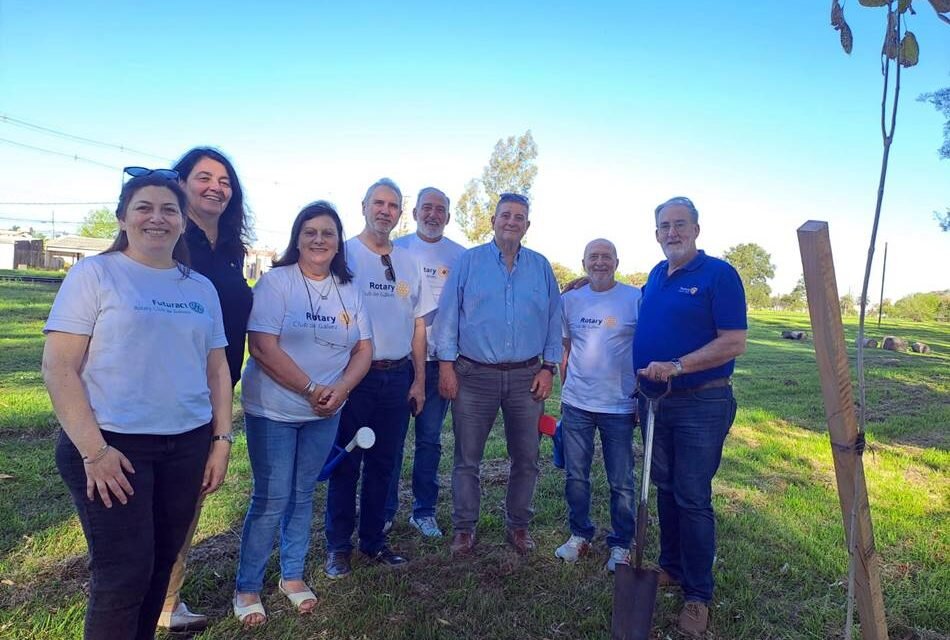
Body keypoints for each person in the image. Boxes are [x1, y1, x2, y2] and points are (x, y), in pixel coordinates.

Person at [42, 170, 232, 640]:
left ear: (182, 221)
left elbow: (218, 371)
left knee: (160, 567)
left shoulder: (199, 288)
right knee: (122, 575)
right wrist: (95, 452)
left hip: (185, 446)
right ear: (123, 217)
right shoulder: (95, 274)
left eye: (169, 209)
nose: (157, 218)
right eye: (144, 207)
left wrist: (221, 440)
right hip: (113, 448)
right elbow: (59, 368)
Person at [232, 202, 372, 626]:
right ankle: (248, 586)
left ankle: (291, 577)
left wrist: (340, 391)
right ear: (297, 237)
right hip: (274, 409)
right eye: (309, 231)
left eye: (327, 233)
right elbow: (261, 346)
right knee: (271, 498)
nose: (318, 240)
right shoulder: (277, 282)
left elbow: (364, 348)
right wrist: (311, 388)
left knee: (303, 494)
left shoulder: (348, 287)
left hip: (326, 411)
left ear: (338, 242)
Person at [633, 196, 747, 637]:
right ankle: (672, 567)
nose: (672, 232)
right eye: (664, 225)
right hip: (656, 400)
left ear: (696, 229)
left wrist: (678, 365)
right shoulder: (657, 275)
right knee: (664, 487)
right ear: (656, 233)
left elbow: (734, 341)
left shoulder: (719, 274)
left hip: (702, 401)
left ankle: (698, 595)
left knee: (692, 495)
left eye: (680, 224)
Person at [434, 193, 561, 556]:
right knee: (467, 458)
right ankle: (464, 528)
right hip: (474, 375)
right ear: (493, 220)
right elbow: (448, 316)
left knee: (526, 457)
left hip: (527, 376)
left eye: (519, 217)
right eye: (505, 215)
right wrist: (446, 366)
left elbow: (554, 320)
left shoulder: (540, 267)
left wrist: (549, 368)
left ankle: (518, 526)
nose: (511, 221)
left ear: (527, 225)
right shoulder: (468, 262)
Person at [158, 147, 253, 632]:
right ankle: (147, 598)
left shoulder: (230, 248)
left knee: (190, 500)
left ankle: (168, 602)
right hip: (168, 390)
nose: (216, 186)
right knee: (163, 504)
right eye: (204, 177)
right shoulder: (171, 238)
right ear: (181, 183)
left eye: (225, 180)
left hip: (213, 391)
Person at [324, 178, 435, 578]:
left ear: (400, 214)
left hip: (397, 375)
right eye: (379, 203)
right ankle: (338, 547)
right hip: (354, 377)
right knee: (346, 461)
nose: (385, 211)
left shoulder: (407, 262)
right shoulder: (344, 254)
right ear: (364, 206)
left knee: (384, 465)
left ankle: (373, 541)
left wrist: (419, 380)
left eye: (392, 205)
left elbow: (419, 326)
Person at [556, 238, 640, 572]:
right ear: (584, 262)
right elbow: (563, 347)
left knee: (621, 479)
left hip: (619, 406)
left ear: (617, 262)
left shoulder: (635, 299)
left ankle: (621, 544)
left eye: (606, 257)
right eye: (594, 257)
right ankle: (580, 534)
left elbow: (647, 345)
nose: (600, 262)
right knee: (576, 476)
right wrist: (564, 389)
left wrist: (640, 397)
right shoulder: (570, 301)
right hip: (577, 403)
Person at [386, 187, 465, 538]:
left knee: (430, 440)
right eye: (427, 208)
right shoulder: (396, 248)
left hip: (439, 363)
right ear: (415, 212)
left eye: (440, 210)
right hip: (397, 363)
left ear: (448, 217)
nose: (433, 215)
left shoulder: (461, 256)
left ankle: (424, 511)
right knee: (392, 440)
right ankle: (385, 510)